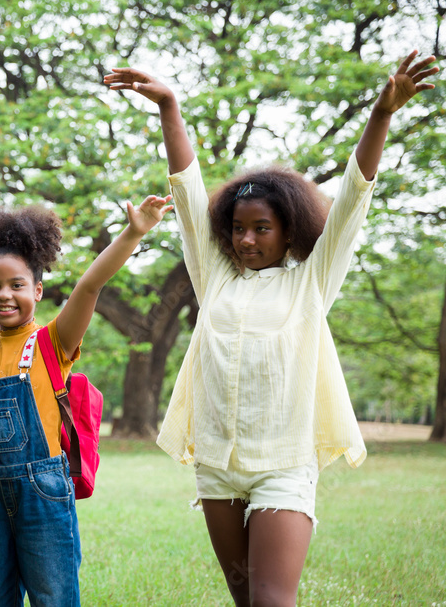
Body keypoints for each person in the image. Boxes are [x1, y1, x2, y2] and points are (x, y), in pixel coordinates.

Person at [103, 50, 439, 606]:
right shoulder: (214, 278)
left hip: (282, 467)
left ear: (290, 232)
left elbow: (355, 196)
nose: (247, 240)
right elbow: (187, 196)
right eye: (238, 228)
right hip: (217, 467)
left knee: (272, 603)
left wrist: (382, 113)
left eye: (262, 229)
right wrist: (169, 106)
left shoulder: (310, 282)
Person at [0, 177, 172, 606]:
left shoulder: (52, 342)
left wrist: (134, 231)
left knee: (54, 597)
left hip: (43, 492)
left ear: (38, 291)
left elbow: (90, 286)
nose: (4, 295)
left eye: (17, 285)